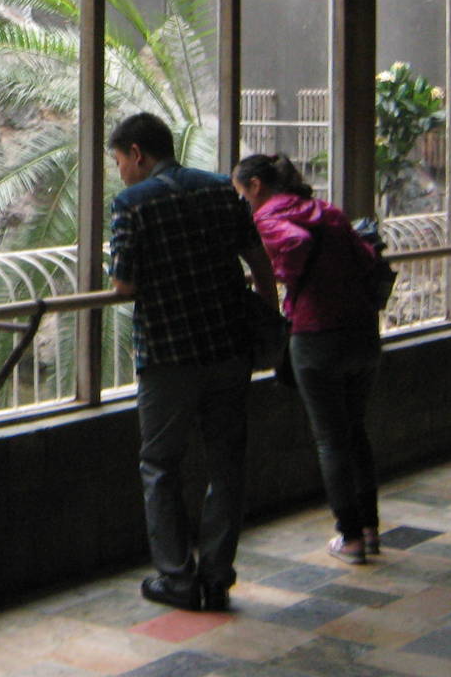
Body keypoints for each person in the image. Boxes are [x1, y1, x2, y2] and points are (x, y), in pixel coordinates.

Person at [108, 113, 275, 612]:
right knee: (226, 463)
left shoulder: (131, 204)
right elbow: (259, 262)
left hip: (168, 356)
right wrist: (267, 315)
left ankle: (177, 578)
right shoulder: (221, 191)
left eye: (119, 161)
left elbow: (125, 285)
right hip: (228, 349)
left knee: (160, 465)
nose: (119, 173)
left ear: (138, 153)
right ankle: (218, 576)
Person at [232, 152, 382, 565]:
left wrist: (284, 274)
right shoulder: (327, 211)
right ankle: (369, 529)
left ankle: (349, 537)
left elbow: (294, 244)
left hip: (317, 336)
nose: (243, 203)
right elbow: (366, 257)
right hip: (362, 333)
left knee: (330, 439)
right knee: (356, 432)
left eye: (241, 194)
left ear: (256, 187)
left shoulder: (268, 217)